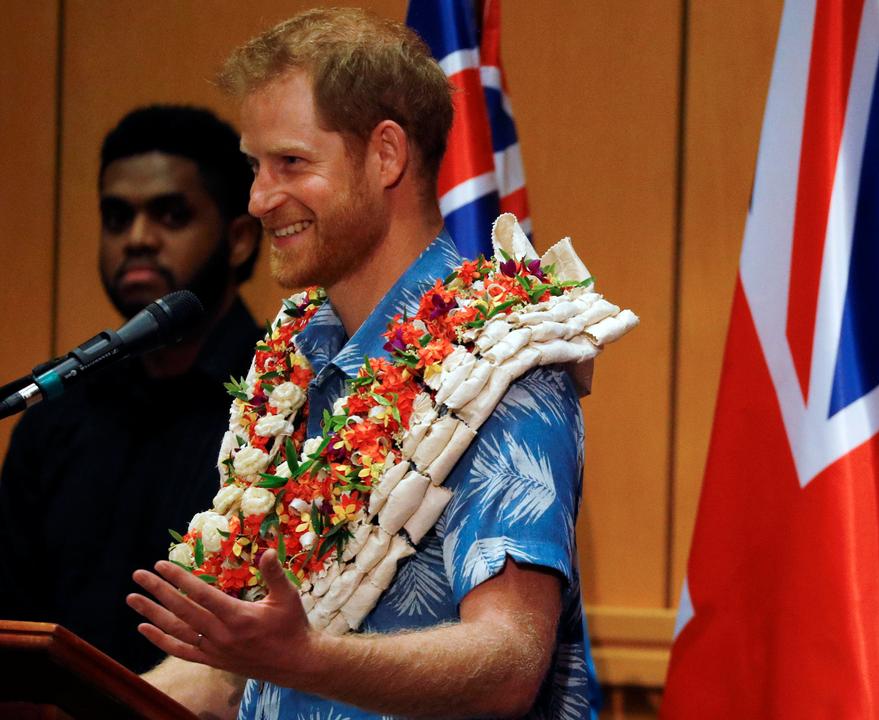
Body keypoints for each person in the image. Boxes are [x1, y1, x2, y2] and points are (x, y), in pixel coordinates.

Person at [127, 9, 595, 719]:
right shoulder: (294, 357)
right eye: (255, 167)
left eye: (291, 163)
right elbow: (244, 675)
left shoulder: (503, 360)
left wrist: (306, 659)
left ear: (386, 156)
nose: (257, 200)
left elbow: (508, 662)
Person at [0, 105, 262, 674]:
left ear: (238, 239)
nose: (137, 239)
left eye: (171, 215)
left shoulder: (282, 402)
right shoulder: (53, 416)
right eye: (117, 218)